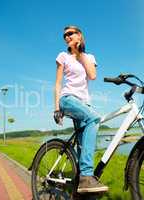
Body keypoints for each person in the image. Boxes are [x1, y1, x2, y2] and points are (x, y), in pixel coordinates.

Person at [54, 25, 108, 193]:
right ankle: (86, 176)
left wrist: (79, 52)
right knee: (94, 119)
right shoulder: (63, 56)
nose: (67, 37)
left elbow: (92, 75)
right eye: (65, 36)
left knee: (82, 146)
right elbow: (57, 84)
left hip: (84, 103)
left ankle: (79, 188)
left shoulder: (89, 56)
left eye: (70, 34)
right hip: (68, 99)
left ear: (79, 35)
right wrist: (56, 108)